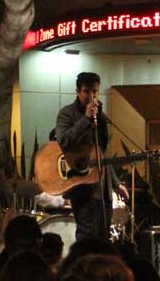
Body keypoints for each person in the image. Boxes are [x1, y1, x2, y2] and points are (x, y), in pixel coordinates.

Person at [55, 72, 127, 242]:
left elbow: (102, 153)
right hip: (82, 187)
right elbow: (64, 140)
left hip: (103, 187)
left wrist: (116, 184)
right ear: (78, 91)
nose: (91, 96)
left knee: (103, 236)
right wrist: (86, 119)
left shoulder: (101, 116)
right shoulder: (67, 114)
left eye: (95, 92)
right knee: (87, 234)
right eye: (86, 91)